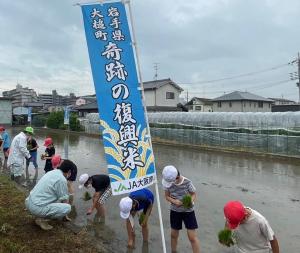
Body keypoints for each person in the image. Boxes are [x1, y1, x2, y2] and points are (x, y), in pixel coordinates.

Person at [25, 160, 74, 230]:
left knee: (55, 197)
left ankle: (39, 216)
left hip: (28, 201)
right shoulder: (62, 179)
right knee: (67, 208)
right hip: (36, 208)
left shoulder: (52, 172)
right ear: (69, 171)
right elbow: (64, 199)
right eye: (70, 172)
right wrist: (65, 214)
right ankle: (42, 220)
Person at [162, 165, 201, 253]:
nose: (169, 184)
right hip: (175, 211)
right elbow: (167, 196)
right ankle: (174, 251)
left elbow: (193, 194)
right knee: (173, 235)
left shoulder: (187, 182)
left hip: (188, 211)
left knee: (192, 237)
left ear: (177, 177)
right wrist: (174, 202)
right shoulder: (167, 182)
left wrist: (189, 201)